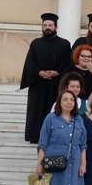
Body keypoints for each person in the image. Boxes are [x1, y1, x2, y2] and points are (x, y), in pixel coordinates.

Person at [34, 90, 86, 185]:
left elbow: (83, 145)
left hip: (73, 165)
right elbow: (42, 143)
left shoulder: (79, 120)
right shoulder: (51, 118)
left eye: (72, 99)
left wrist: (83, 163)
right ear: (59, 102)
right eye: (65, 99)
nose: (69, 102)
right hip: (53, 163)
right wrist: (40, 163)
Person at [21, 13, 72, 143]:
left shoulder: (64, 44)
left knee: (54, 110)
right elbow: (29, 63)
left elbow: (68, 63)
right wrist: (40, 72)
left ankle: (54, 137)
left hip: (56, 85)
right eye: (45, 25)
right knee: (36, 111)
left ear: (56, 27)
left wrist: (57, 72)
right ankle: (35, 136)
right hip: (38, 84)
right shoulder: (35, 44)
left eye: (50, 25)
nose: (47, 28)